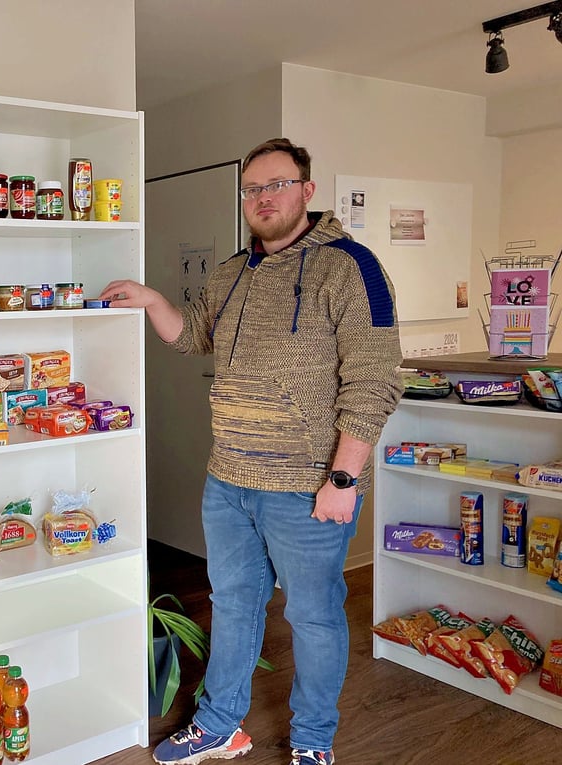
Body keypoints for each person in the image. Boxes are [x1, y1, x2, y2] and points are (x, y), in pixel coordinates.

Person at [101, 138, 403, 765]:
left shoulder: (350, 267)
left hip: (307, 484)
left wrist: (343, 479)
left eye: (277, 185)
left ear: (307, 190)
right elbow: (194, 337)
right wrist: (154, 301)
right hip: (229, 479)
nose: (263, 198)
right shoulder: (231, 272)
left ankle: (313, 741)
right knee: (233, 604)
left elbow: (374, 381)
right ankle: (220, 725)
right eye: (252, 189)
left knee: (314, 617)